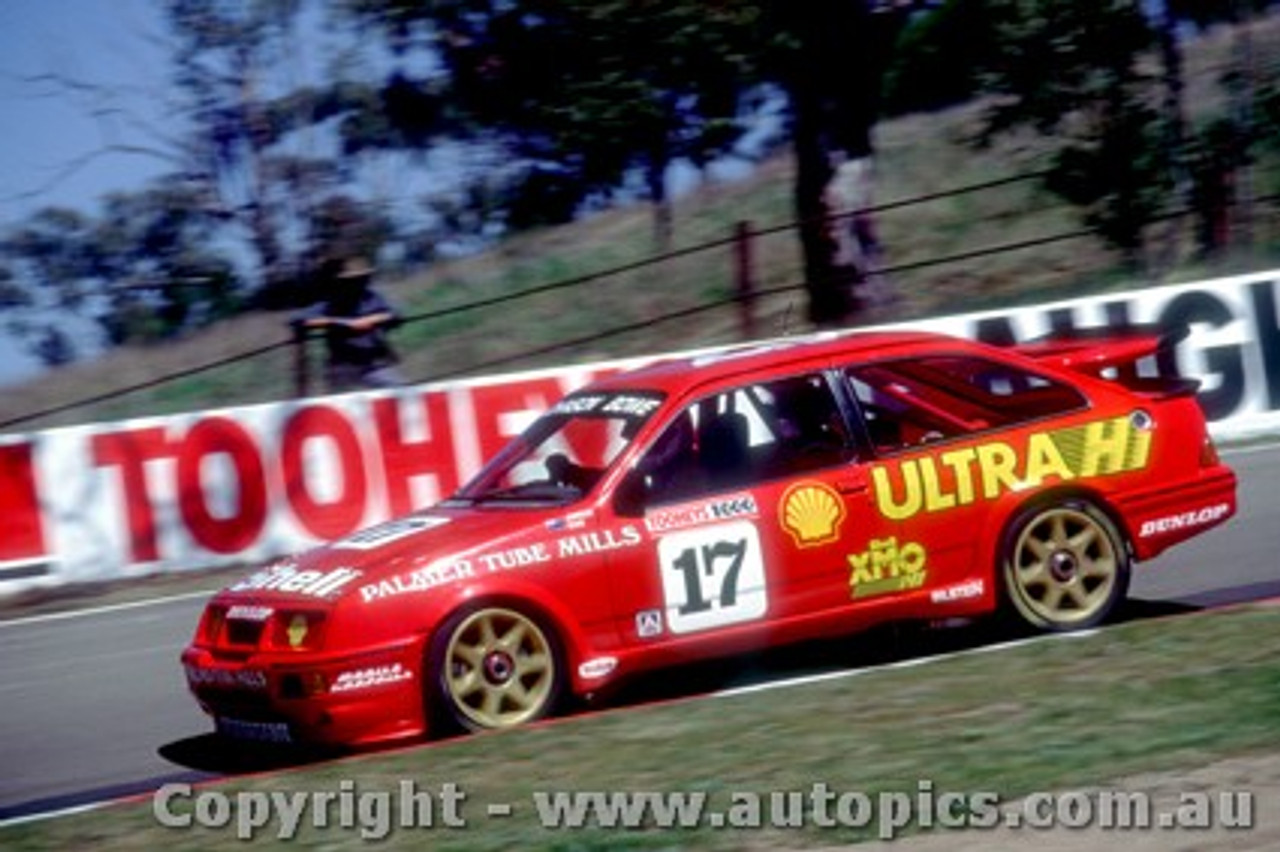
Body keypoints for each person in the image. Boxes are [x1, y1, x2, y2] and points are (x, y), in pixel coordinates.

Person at [293, 256, 406, 392]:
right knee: (339, 401)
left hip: (372, 364)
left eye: (363, 278)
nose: (360, 283)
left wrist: (370, 320)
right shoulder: (331, 303)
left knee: (400, 392)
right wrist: (342, 323)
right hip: (342, 366)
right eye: (353, 280)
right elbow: (299, 320)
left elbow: (397, 313)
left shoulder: (372, 297)